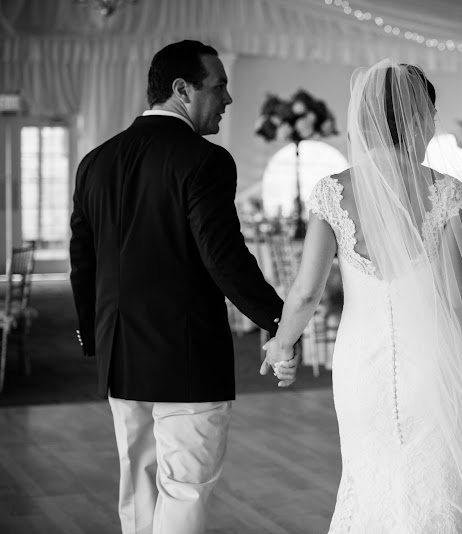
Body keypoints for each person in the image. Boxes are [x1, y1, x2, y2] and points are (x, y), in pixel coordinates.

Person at [260, 60, 462, 532]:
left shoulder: (332, 192)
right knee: (435, 487)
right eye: (431, 116)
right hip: (433, 364)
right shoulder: (446, 192)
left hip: (359, 368)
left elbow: (304, 295)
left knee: (369, 478)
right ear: (418, 117)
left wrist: (282, 345)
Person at [69, 40, 294, 534]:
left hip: (119, 352)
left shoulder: (95, 162)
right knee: (185, 488)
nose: (228, 98)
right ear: (182, 89)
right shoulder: (205, 160)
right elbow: (223, 257)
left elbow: (82, 263)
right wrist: (282, 320)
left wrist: (94, 333)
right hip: (186, 355)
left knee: (138, 484)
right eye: (219, 86)